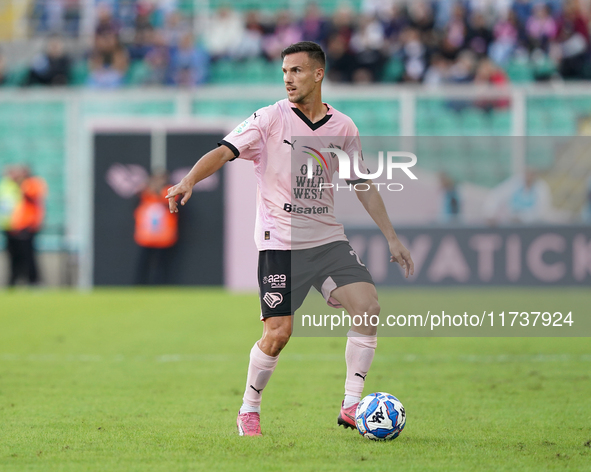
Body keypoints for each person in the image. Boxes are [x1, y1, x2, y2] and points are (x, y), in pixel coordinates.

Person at [166, 41, 414, 437]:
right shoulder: (268, 119)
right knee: (279, 333)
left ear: (318, 74)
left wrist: (392, 238)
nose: (287, 78)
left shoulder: (343, 127)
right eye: (284, 72)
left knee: (367, 306)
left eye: (296, 71)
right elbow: (224, 151)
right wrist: (189, 179)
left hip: (328, 240)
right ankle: (249, 408)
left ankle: (351, 405)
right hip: (280, 242)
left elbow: (362, 184)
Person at [3, 165, 47, 286]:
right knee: (14, 256)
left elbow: (32, 196)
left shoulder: (31, 183)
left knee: (28, 255)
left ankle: (33, 281)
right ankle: (14, 281)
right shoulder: (9, 185)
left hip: (27, 226)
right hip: (11, 226)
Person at [134, 171, 178, 285]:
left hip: (164, 237)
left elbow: (175, 207)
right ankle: (140, 286)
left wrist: (158, 193)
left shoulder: (171, 193)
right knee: (143, 264)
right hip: (146, 236)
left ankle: (161, 286)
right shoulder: (144, 194)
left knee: (163, 265)